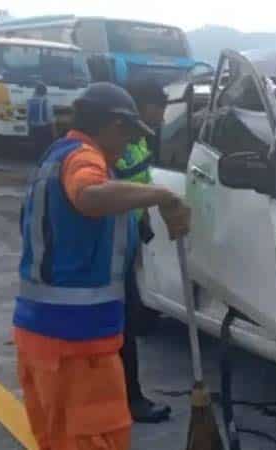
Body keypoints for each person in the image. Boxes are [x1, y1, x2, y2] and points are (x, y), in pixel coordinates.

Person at [14, 82, 190, 450]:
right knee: (93, 439)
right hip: (74, 343)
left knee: (60, 439)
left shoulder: (56, 157)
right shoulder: (83, 158)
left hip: (48, 334)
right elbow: (89, 196)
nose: (127, 146)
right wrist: (163, 195)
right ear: (114, 125)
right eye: (127, 135)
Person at [115, 79, 171, 423]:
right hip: (113, 244)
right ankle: (131, 399)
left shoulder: (137, 143)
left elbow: (141, 180)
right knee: (124, 327)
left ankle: (126, 395)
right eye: (157, 111)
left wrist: (146, 217)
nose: (161, 119)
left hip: (130, 237)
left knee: (129, 321)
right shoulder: (117, 145)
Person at [27, 82, 57, 154]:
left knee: (37, 148)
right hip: (45, 129)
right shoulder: (46, 102)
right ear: (45, 91)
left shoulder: (30, 101)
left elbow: (28, 116)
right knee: (46, 149)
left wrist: (29, 129)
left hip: (34, 128)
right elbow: (50, 119)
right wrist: (54, 132)